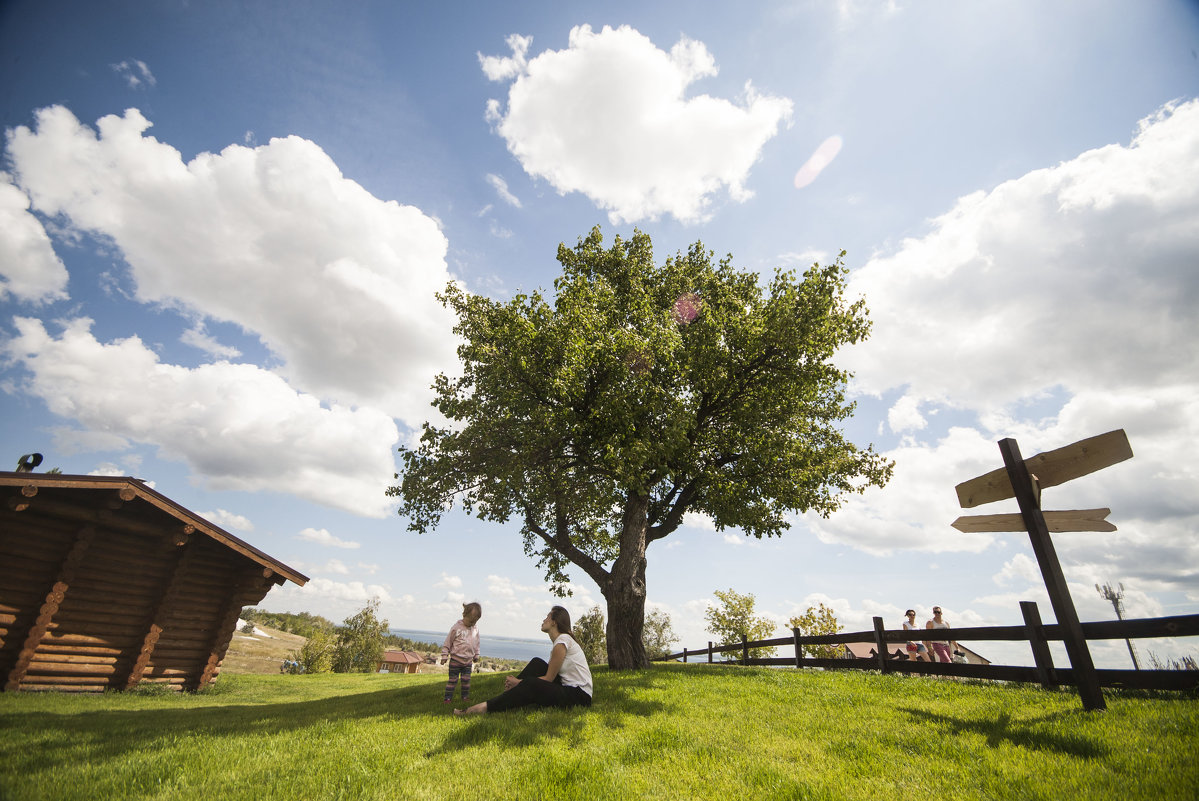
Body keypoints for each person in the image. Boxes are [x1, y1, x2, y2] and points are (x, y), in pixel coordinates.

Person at [454, 606, 592, 715]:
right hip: (569, 689)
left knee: (531, 683)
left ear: (554, 622)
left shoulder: (562, 642)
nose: (544, 620)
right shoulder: (562, 641)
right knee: (537, 663)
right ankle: (506, 698)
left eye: (547, 617)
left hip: (579, 696)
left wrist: (518, 682)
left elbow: (549, 679)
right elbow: (550, 675)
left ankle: (482, 708)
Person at [440, 602, 482, 703]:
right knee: (453, 680)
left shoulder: (475, 629)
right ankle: (447, 699)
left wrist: (476, 654)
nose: (472, 624)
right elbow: (448, 642)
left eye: (475, 622)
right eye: (471, 621)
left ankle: (465, 697)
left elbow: (477, 642)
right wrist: (444, 655)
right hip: (456, 660)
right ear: (464, 615)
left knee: (466, 681)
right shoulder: (456, 628)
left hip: (468, 661)